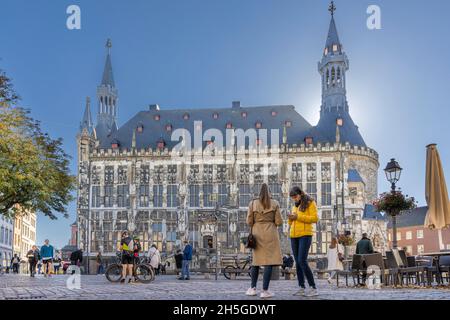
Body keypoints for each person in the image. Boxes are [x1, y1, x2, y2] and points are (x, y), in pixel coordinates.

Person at [245, 183, 283, 299]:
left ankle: (252, 288)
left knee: (256, 262)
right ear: (270, 192)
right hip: (270, 233)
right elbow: (279, 222)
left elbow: (249, 222)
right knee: (268, 262)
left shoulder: (252, 203)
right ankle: (265, 291)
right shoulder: (275, 203)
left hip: (257, 233)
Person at [288, 186, 319, 297]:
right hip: (294, 235)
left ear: (300, 194)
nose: (294, 199)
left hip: (305, 235)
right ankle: (301, 287)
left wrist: (298, 216)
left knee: (302, 260)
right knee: (297, 262)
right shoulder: (294, 205)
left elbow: (315, 218)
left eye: (295, 196)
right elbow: (292, 222)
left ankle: (313, 287)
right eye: (293, 198)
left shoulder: (310, 203)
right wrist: (290, 219)